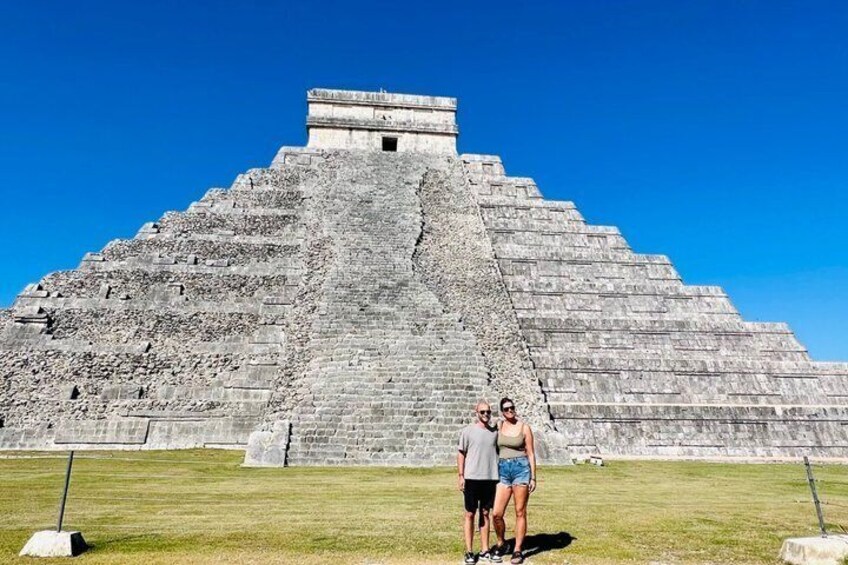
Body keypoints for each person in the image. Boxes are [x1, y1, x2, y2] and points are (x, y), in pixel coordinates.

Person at [491, 398, 537, 565]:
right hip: (503, 470)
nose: (510, 411)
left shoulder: (524, 427)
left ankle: (517, 549)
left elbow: (530, 453)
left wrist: (533, 477)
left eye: (512, 407)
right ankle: (501, 542)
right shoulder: (498, 426)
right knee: (497, 513)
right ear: (502, 412)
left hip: (521, 469)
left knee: (520, 511)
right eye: (506, 409)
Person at [458, 401, 502, 564]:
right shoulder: (468, 431)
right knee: (470, 514)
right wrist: (461, 475)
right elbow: (461, 453)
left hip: (490, 478)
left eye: (488, 412)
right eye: (482, 412)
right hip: (471, 477)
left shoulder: (495, 433)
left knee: (485, 513)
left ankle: (485, 550)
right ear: (476, 412)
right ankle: (469, 551)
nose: (486, 415)